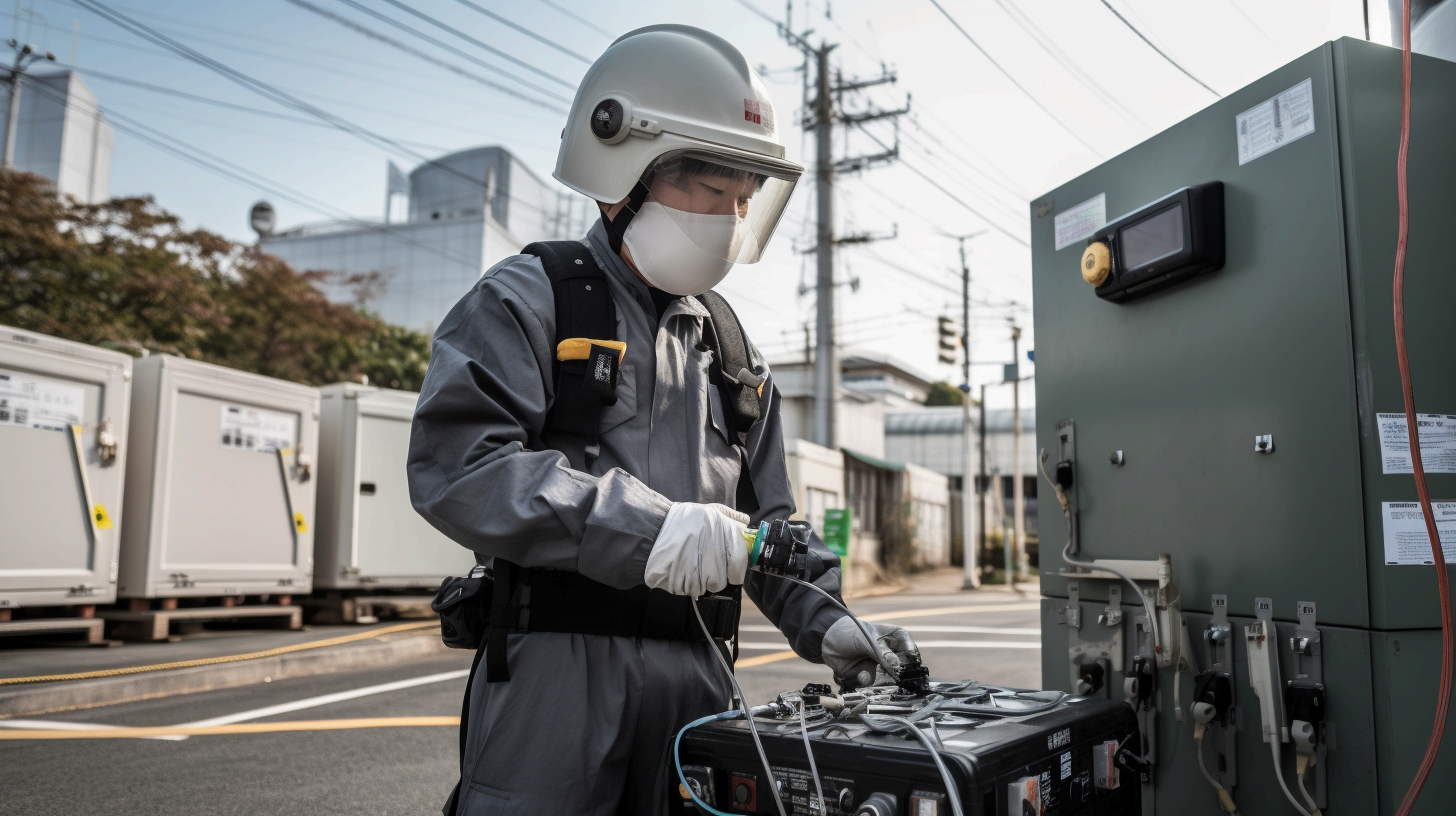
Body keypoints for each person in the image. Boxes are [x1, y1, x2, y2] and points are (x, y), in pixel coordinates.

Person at [408, 24, 920, 816]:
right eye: (711, 195)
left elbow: (767, 526)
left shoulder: (732, 349)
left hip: (703, 678)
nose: (729, 220)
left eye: (744, 202)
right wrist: (654, 531)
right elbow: (460, 470)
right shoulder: (526, 298)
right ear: (623, 177)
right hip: (556, 677)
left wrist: (830, 625)